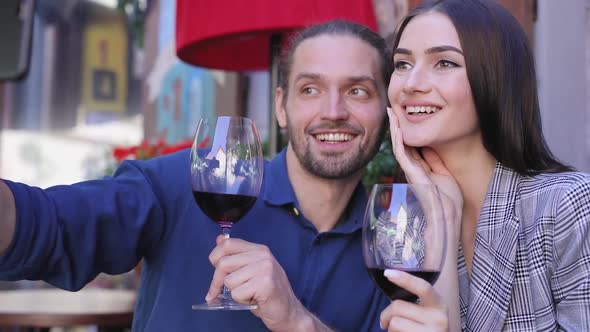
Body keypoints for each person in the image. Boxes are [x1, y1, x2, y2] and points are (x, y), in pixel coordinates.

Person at [0, 20, 454, 332]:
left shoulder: (394, 242)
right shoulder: (186, 184)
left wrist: (295, 320)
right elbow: (53, 223)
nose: (332, 111)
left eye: (357, 90)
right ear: (281, 106)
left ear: (386, 109)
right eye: (310, 89)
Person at [385, 0, 590, 331]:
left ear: (495, 78)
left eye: (445, 63)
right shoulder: (410, 226)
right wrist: (442, 219)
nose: (411, 84)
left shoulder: (568, 205)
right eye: (402, 64)